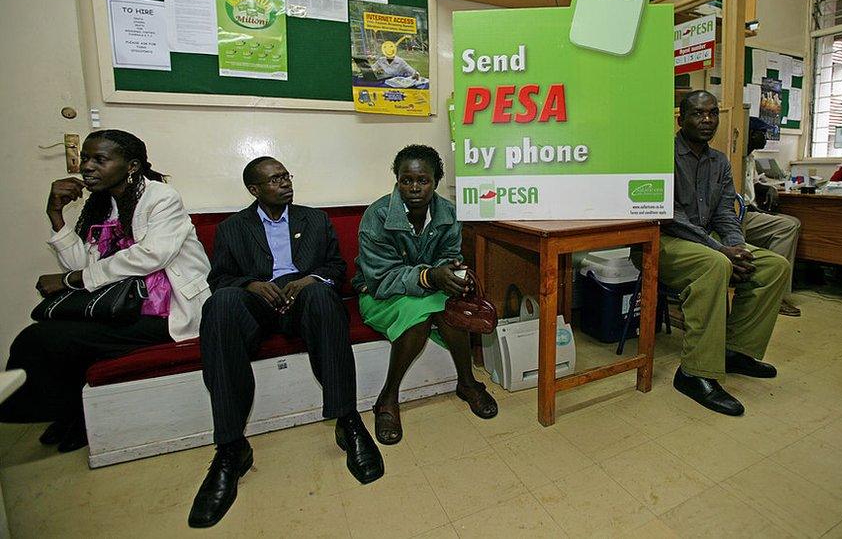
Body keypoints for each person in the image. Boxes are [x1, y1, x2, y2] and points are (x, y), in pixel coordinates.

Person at [188, 157, 383, 529]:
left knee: (326, 299)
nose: (285, 183)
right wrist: (249, 284)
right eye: (275, 179)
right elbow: (221, 277)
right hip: (256, 303)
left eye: (286, 176)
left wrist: (309, 280)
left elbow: (336, 269)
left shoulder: (315, 219)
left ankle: (348, 420)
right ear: (254, 189)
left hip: (303, 300)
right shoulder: (232, 228)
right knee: (219, 305)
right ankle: (231, 448)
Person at [0, 130, 211, 452]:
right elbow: (81, 263)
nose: (87, 167)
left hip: (169, 309)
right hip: (120, 305)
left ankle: (73, 416)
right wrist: (56, 217)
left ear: (131, 165)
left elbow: (153, 255)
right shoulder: (103, 206)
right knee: (41, 334)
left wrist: (73, 280)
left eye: (100, 159)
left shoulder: (161, 197)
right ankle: (71, 412)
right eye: (85, 158)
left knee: (52, 339)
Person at [355, 144, 497, 445]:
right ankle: (388, 399)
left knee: (452, 310)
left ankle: (467, 383)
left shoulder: (448, 212)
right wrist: (429, 275)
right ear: (397, 180)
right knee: (419, 316)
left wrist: (451, 270)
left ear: (435, 181)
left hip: (429, 289)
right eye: (406, 180)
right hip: (381, 294)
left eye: (423, 181)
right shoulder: (377, 215)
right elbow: (380, 278)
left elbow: (448, 255)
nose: (414, 188)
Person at [661, 91, 790, 416]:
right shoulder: (661, 155)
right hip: (663, 243)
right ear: (681, 119)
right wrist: (721, 249)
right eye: (698, 114)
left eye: (712, 114)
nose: (707, 120)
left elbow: (724, 213)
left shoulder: (719, 161)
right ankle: (694, 372)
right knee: (715, 264)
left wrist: (738, 246)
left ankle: (734, 350)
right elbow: (671, 216)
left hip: (708, 242)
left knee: (774, 266)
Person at [743, 117, 802, 317]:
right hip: (739, 215)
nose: (766, 139)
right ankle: (775, 296)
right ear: (751, 134)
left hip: (751, 210)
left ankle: (775, 286)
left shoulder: (751, 158)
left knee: (794, 222)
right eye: (763, 134)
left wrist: (766, 187)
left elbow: (754, 183)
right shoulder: (733, 155)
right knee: (786, 227)